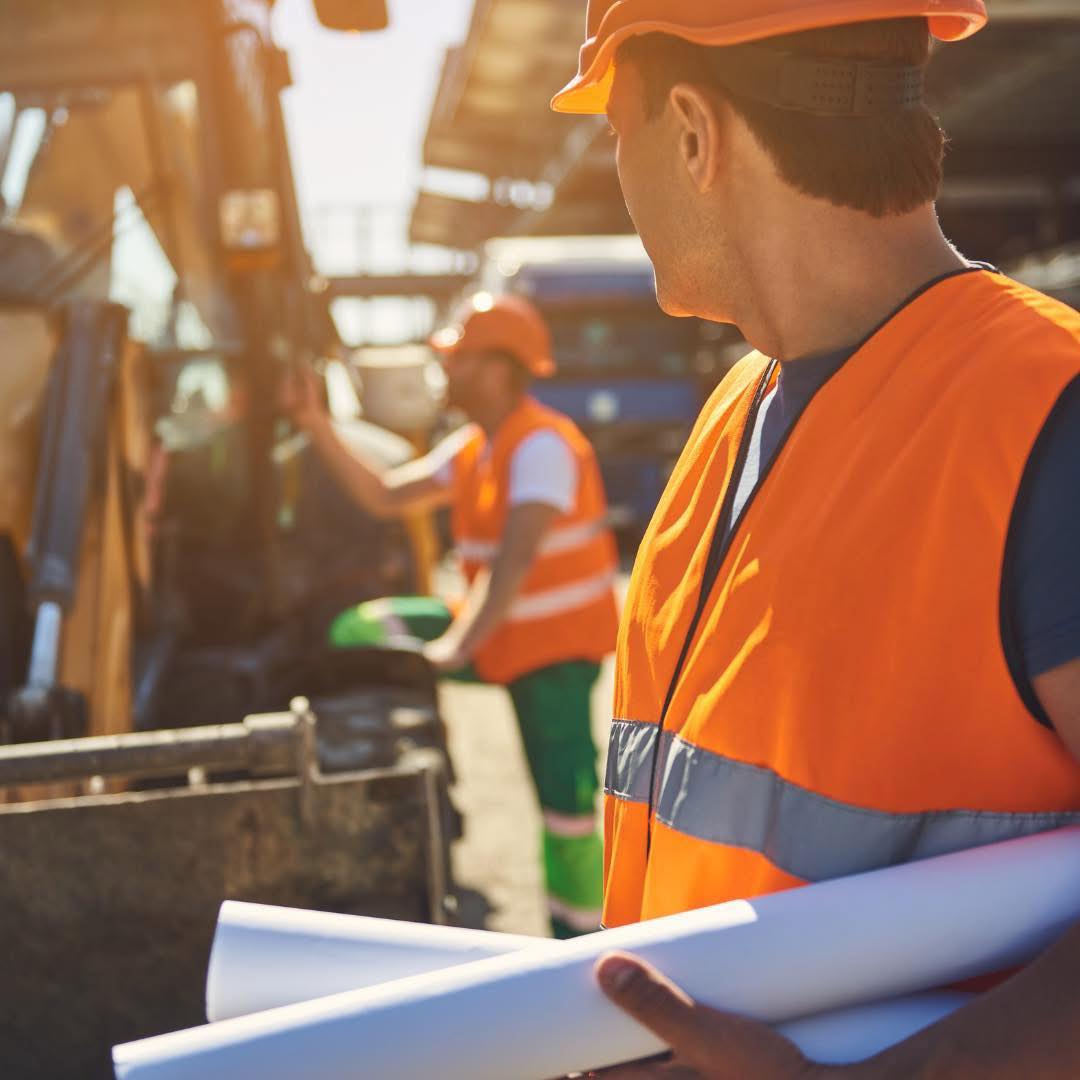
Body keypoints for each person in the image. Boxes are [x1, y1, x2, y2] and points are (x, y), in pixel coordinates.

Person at [546, 1, 1080, 1075]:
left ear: (693, 133)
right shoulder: (737, 413)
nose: (621, 176)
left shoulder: (1049, 418)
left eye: (618, 134)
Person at [284, 292, 620, 939]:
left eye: (460, 360)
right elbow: (386, 495)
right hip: (499, 637)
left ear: (500, 370)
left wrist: (457, 645)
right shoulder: (475, 447)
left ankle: (583, 939)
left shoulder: (542, 446)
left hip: (552, 657)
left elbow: (514, 563)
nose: (448, 372)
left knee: (566, 808)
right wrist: (316, 423)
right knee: (362, 629)